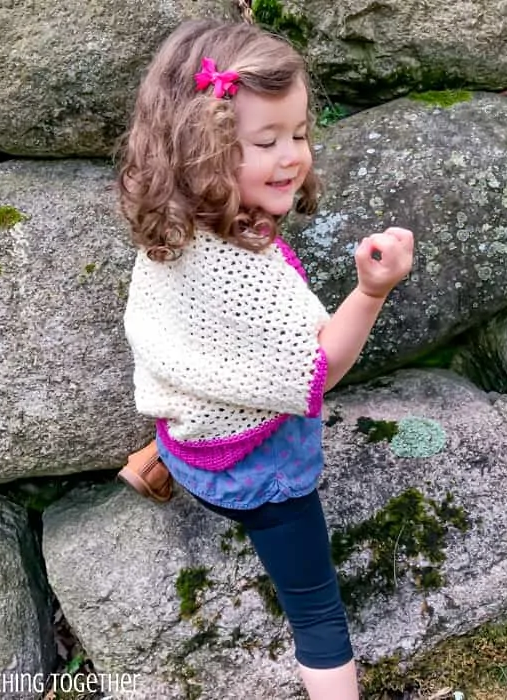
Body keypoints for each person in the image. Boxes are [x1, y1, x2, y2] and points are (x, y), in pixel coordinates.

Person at [117, 19, 414, 700]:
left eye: (300, 134)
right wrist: (371, 293)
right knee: (315, 608)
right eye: (265, 141)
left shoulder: (174, 227)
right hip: (261, 479)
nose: (292, 157)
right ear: (202, 147)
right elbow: (316, 370)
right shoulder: (242, 276)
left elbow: (180, 338)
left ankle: (162, 452)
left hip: (190, 440)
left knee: (209, 379)